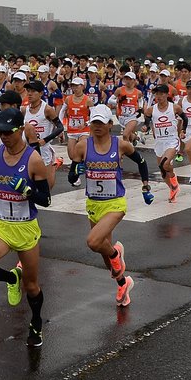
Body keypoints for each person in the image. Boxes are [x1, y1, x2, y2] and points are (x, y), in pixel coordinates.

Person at [0, 108, 51, 347]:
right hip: (1, 225)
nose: (4, 136)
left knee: (31, 286)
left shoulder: (33, 159)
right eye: (1, 131)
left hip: (25, 227)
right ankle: (10, 277)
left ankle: (36, 322)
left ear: (20, 130)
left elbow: (45, 199)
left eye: (8, 132)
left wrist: (27, 191)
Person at [74, 105, 149, 309]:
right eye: (93, 122)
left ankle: (116, 253)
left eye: (101, 122)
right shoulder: (82, 146)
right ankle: (124, 284)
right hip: (93, 204)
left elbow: (141, 162)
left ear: (109, 124)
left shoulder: (120, 144)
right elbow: (73, 175)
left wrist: (145, 186)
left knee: (93, 241)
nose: (96, 126)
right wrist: (77, 171)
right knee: (103, 255)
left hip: (115, 203)